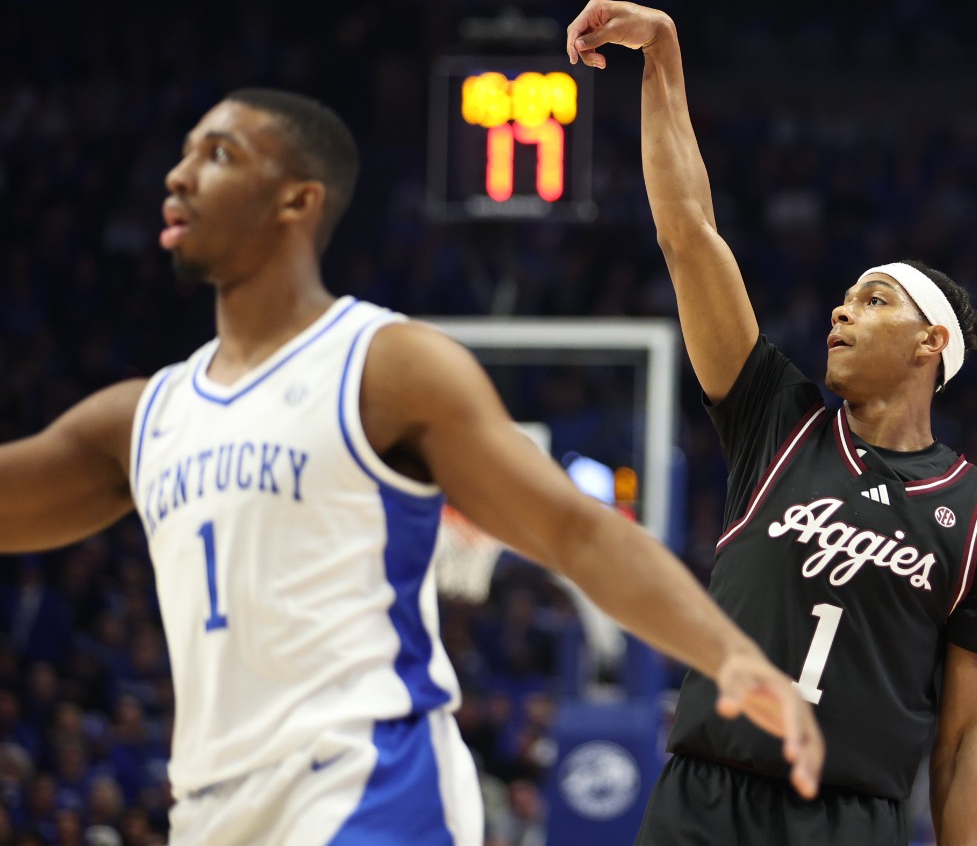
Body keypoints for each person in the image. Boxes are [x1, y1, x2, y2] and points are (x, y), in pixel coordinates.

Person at [0, 89, 822, 845]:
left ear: (297, 200)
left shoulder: (383, 367)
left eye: (218, 154)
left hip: (368, 784)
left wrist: (729, 655)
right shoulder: (141, 418)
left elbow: (574, 531)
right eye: (182, 154)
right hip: (211, 808)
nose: (178, 176)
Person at [567, 0, 977, 845]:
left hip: (850, 819)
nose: (842, 313)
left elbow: (967, 737)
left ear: (931, 342)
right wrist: (663, 55)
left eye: (874, 300)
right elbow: (689, 235)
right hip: (706, 799)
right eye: (844, 299)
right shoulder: (779, 419)